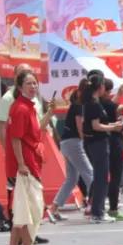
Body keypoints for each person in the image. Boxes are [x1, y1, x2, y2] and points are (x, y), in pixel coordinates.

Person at [4, 70, 48, 245]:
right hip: (25, 165)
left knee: (23, 209)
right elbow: (16, 139)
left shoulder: (29, 107)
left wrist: (50, 112)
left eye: (35, 83)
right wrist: (21, 164)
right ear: (20, 86)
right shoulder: (20, 108)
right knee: (32, 209)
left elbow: (37, 131)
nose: (33, 86)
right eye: (29, 83)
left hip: (31, 162)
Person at [82, 72, 123, 223]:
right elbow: (95, 126)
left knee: (102, 177)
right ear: (100, 87)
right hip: (97, 143)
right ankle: (97, 213)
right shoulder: (93, 104)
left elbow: (100, 123)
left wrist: (114, 124)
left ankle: (98, 211)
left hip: (98, 142)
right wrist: (113, 128)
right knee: (101, 178)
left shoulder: (94, 102)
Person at [50, 79, 93, 219]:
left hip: (67, 143)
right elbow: (80, 127)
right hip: (74, 143)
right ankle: (94, 204)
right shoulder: (79, 106)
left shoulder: (76, 105)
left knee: (72, 179)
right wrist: (86, 142)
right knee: (89, 173)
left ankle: (54, 208)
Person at [101, 79, 123, 220]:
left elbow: (114, 105)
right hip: (113, 141)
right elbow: (117, 107)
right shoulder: (104, 104)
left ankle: (101, 207)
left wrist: (119, 94)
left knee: (104, 176)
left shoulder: (96, 103)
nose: (109, 93)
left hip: (104, 142)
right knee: (115, 176)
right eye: (107, 90)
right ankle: (113, 208)